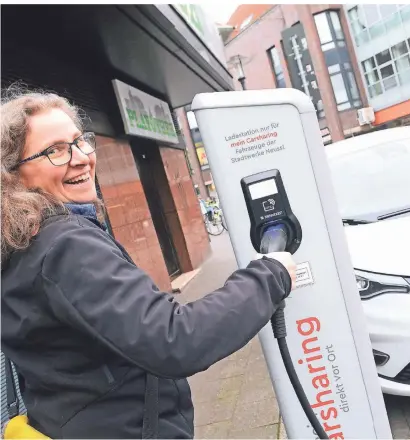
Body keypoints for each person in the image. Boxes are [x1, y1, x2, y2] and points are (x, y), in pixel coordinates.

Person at [1, 88, 296, 439]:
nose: (80, 158)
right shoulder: (64, 245)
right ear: (13, 176)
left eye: (80, 141)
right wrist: (271, 275)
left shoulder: (21, 243)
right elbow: (176, 339)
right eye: (55, 151)